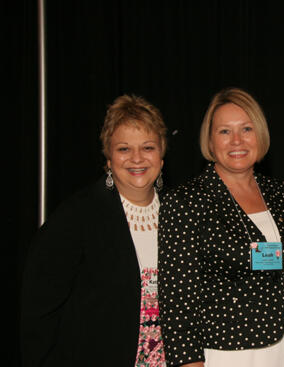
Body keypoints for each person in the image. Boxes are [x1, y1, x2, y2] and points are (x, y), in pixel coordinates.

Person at [20, 95, 168, 366]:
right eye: (124, 149)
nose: (137, 158)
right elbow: (38, 312)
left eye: (148, 147)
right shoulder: (76, 218)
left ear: (161, 153)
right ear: (108, 157)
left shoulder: (179, 215)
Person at [158, 87, 284, 367]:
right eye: (224, 131)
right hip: (220, 355)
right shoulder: (186, 201)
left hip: (282, 349)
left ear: (260, 134)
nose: (237, 141)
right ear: (210, 139)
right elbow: (177, 303)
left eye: (246, 129)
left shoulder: (282, 194)